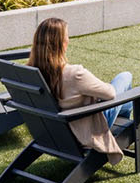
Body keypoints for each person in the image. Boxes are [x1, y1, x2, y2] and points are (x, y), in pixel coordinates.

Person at [29, 17, 134, 164]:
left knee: (126, 101)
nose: (68, 40)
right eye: (67, 37)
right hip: (83, 129)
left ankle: (127, 127)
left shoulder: (31, 71)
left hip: (55, 130)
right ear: (62, 44)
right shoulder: (74, 73)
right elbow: (110, 93)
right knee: (125, 77)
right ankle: (129, 132)